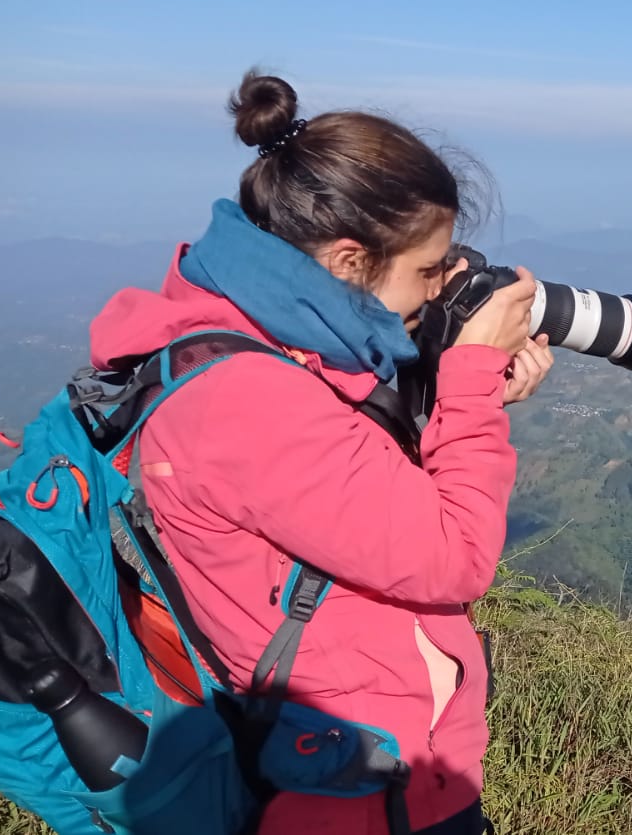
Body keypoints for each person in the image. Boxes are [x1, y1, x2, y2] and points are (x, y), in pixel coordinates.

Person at [86, 68, 551, 835]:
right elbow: (455, 554)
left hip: (389, 775)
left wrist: (450, 398)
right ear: (344, 260)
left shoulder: (278, 351)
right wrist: (467, 380)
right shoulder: (242, 400)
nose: (438, 289)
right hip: (355, 795)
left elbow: (350, 487)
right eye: (428, 269)